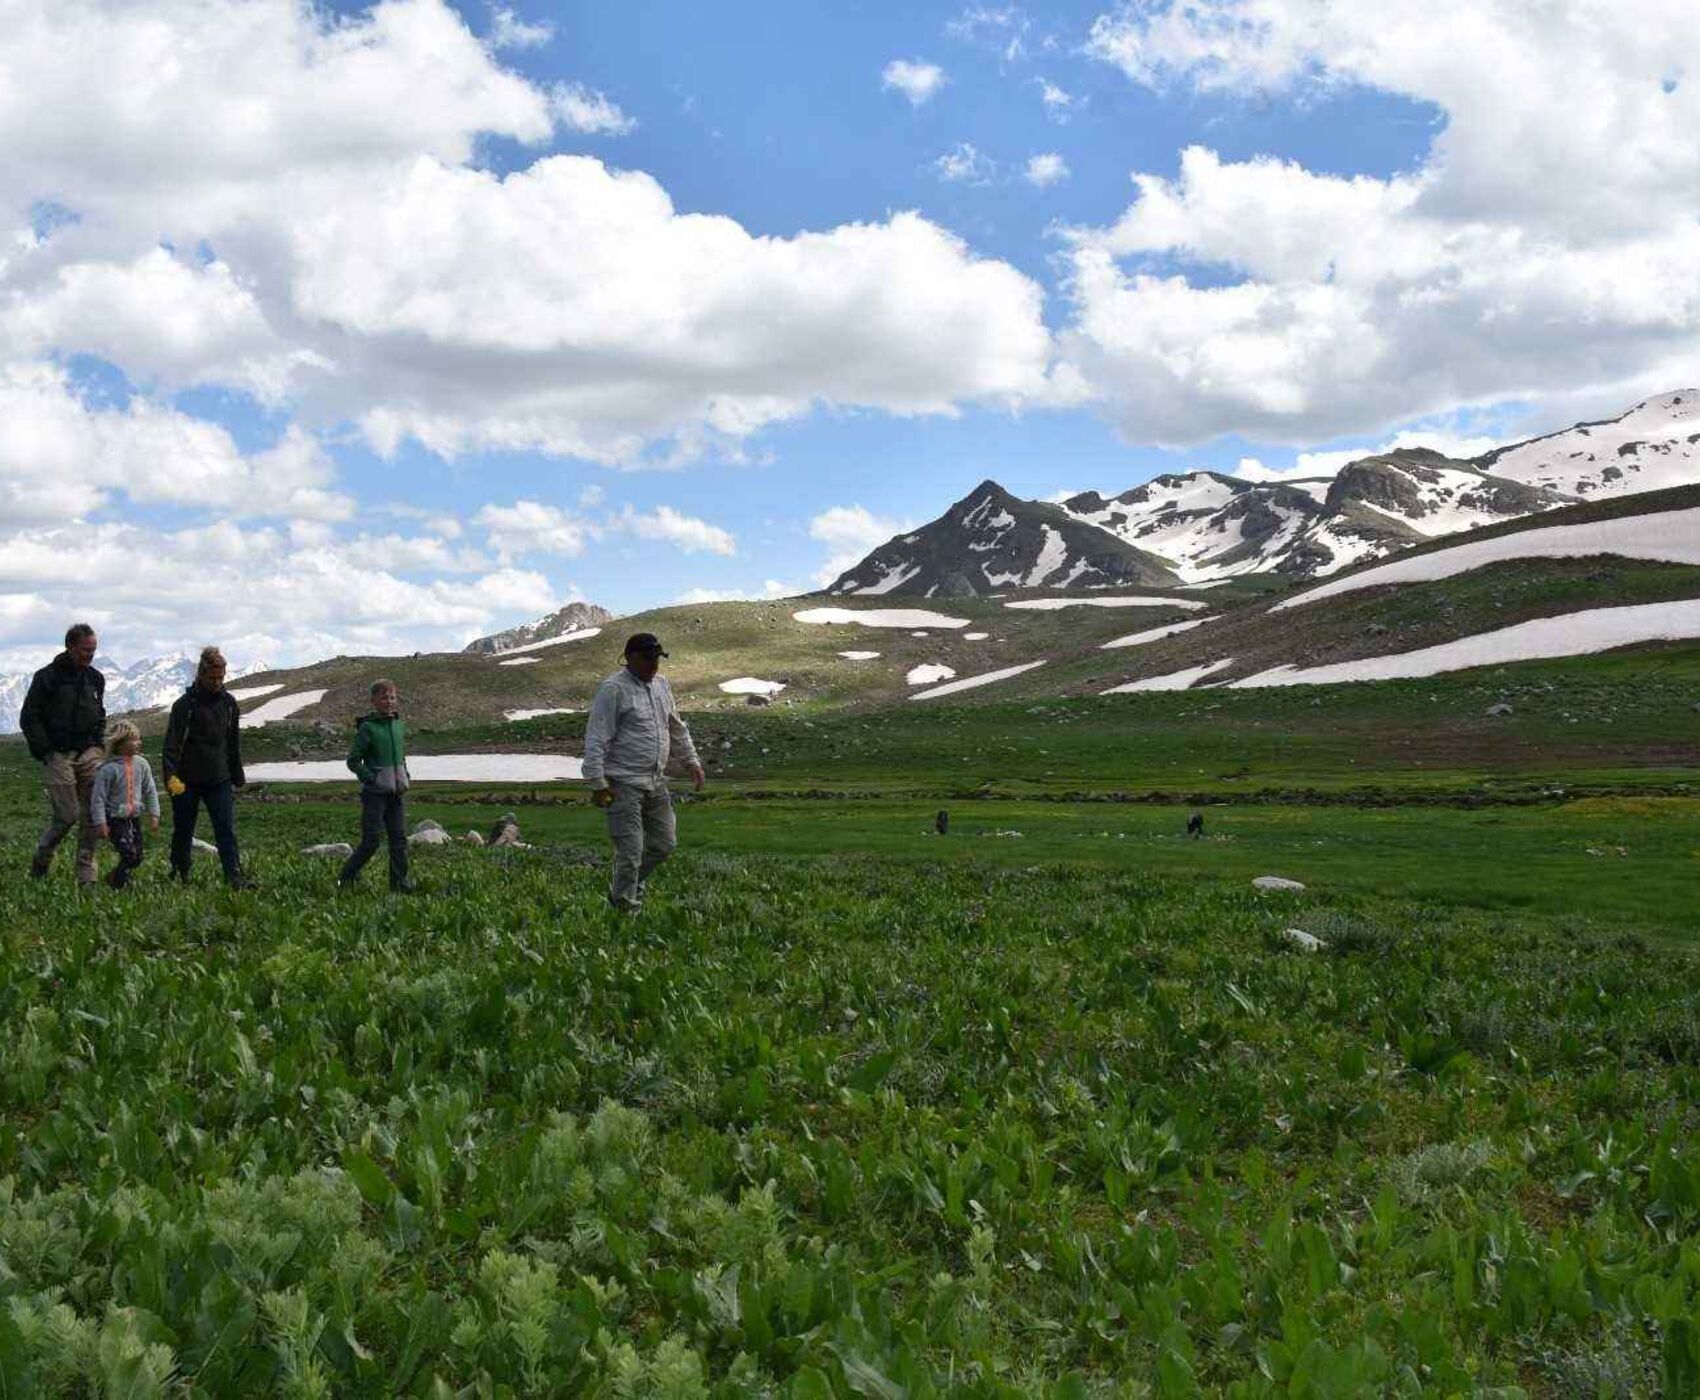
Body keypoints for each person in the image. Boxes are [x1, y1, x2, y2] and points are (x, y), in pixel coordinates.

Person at [582, 633, 705, 913]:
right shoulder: (613, 689)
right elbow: (597, 736)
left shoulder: (662, 686)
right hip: (622, 783)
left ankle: (628, 888)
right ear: (630, 658)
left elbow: (675, 727)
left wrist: (691, 762)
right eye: (648, 659)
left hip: (656, 782)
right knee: (631, 851)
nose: (654, 665)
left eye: (657, 659)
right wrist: (597, 783)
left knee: (664, 844)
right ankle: (624, 911)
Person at [20, 622, 106, 884]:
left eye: (93, 650)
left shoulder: (95, 678)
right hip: (57, 753)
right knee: (67, 815)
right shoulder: (47, 677)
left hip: (89, 752)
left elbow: (100, 712)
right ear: (70, 646)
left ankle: (86, 875)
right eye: (84, 650)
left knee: (93, 812)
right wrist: (46, 751)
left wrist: (99, 743)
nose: (89, 655)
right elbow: (29, 717)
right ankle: (42, 860)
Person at [162, 646, 252, 888]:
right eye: (212, 678)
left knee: (225, 829)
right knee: (183, 830)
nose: (217, 682)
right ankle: (179, 871)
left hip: (218, 778)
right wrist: (170, 777)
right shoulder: (184, 705)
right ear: (200, 675)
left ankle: (234, 876)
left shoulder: (230, 704)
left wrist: (237, 775)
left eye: (221, 677)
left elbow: (233, 742)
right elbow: (171, 744)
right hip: (185, 780)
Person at [338, 679, 412, 892]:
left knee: (399, 840)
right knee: (371, 841)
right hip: (375, 795)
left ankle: (399, 883)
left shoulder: (399, 725)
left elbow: (401, 756)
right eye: (384, 697)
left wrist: (405, 774)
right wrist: (371, 778)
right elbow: (353, 760)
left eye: (392, 697)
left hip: (397, 793)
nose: (389, 701)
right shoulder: (368, 728)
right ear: (373, 701)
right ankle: (346, 877)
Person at [90, 719, 159, 889]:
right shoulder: (108, 769)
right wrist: (101, 823)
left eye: (138, 739)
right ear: (120, 744)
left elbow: (150, 789)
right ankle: (118, 882)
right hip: (114, 818)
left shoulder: (142, 764)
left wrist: (154, 813)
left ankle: (115, 878)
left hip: (133, 817)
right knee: (129, 854)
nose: (139, 743)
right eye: (134, 739)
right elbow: (98, 798)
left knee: (138, 856)